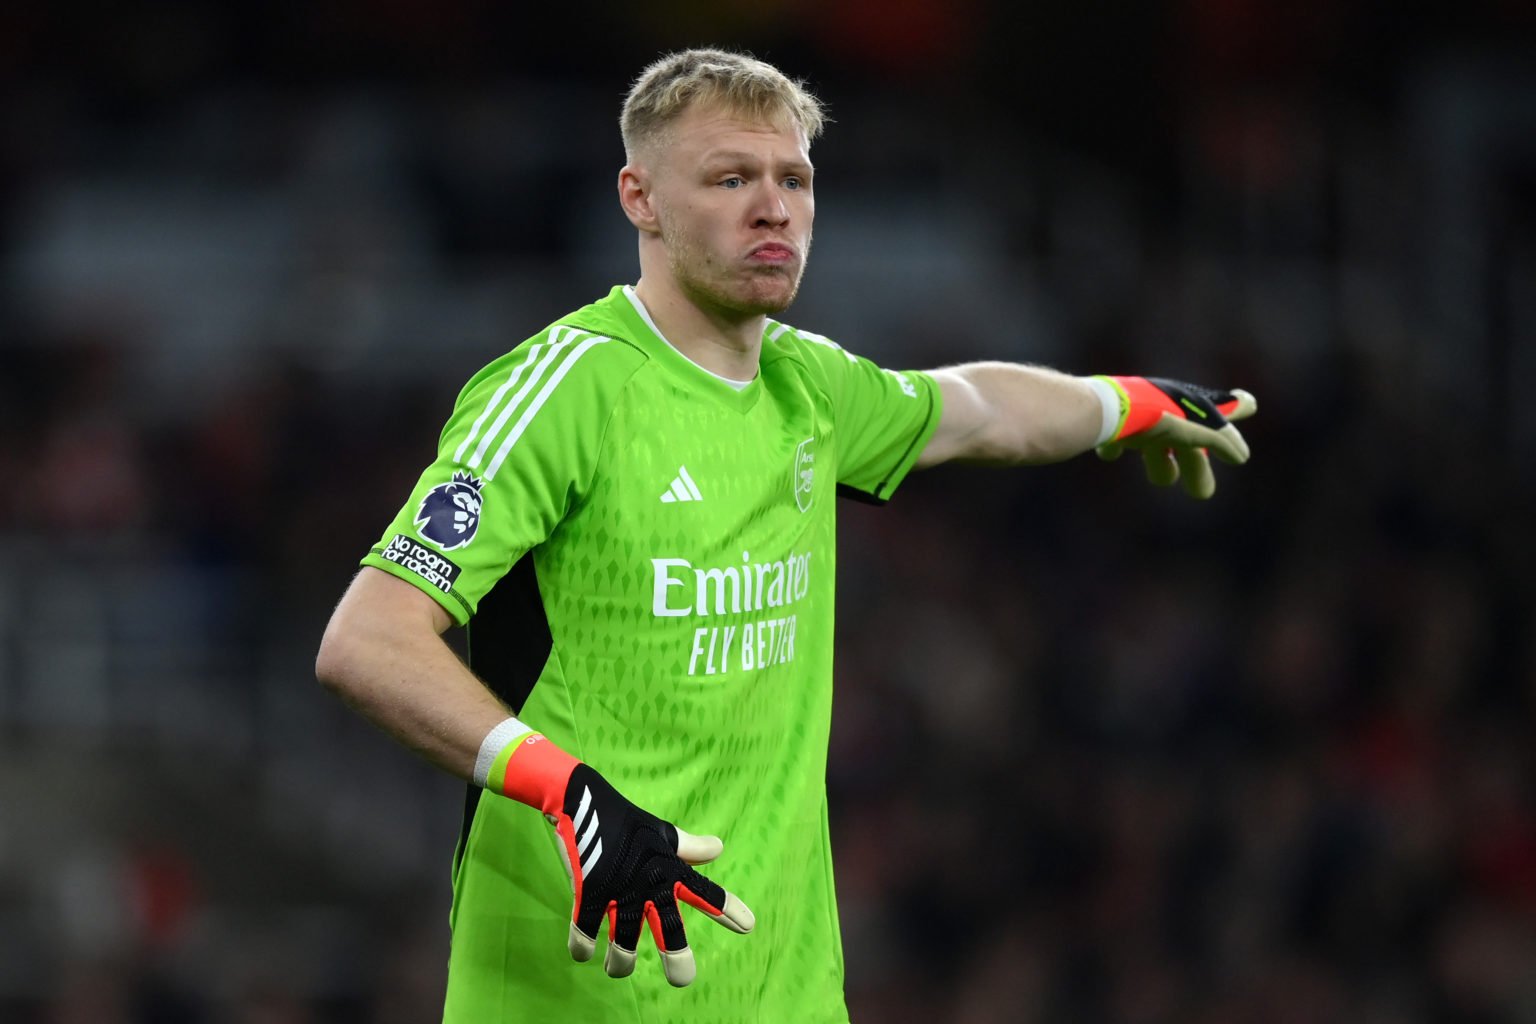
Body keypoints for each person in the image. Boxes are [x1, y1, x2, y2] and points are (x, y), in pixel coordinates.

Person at [315, 47, 1256, 1023]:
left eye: (794, 179)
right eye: (731, 178)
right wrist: (565, 787)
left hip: (784, 995)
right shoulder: (564, 392)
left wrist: (1122, 403)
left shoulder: (807, 388)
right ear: (640, 199)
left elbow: (978, 409)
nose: (774, 208)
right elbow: (366, 641)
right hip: (578, 991)